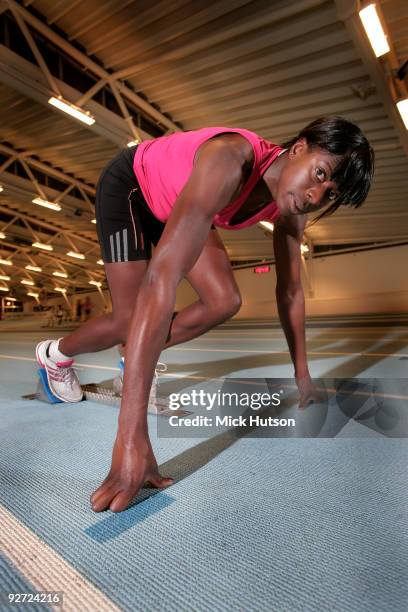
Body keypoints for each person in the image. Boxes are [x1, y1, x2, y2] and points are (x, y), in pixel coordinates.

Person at [35, 116, 374, 513]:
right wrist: (131, 438)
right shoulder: (228, 160)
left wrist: (303, 377)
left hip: (178, 203)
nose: (315, 195)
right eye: (320, 173)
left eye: (328, 193)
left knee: (224, 300)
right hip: (133, 187)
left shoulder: (292, 209)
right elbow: (161, 277)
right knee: (129, 319)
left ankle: (137, 351)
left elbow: (292, 291)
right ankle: (54, 355)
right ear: (299, 147)